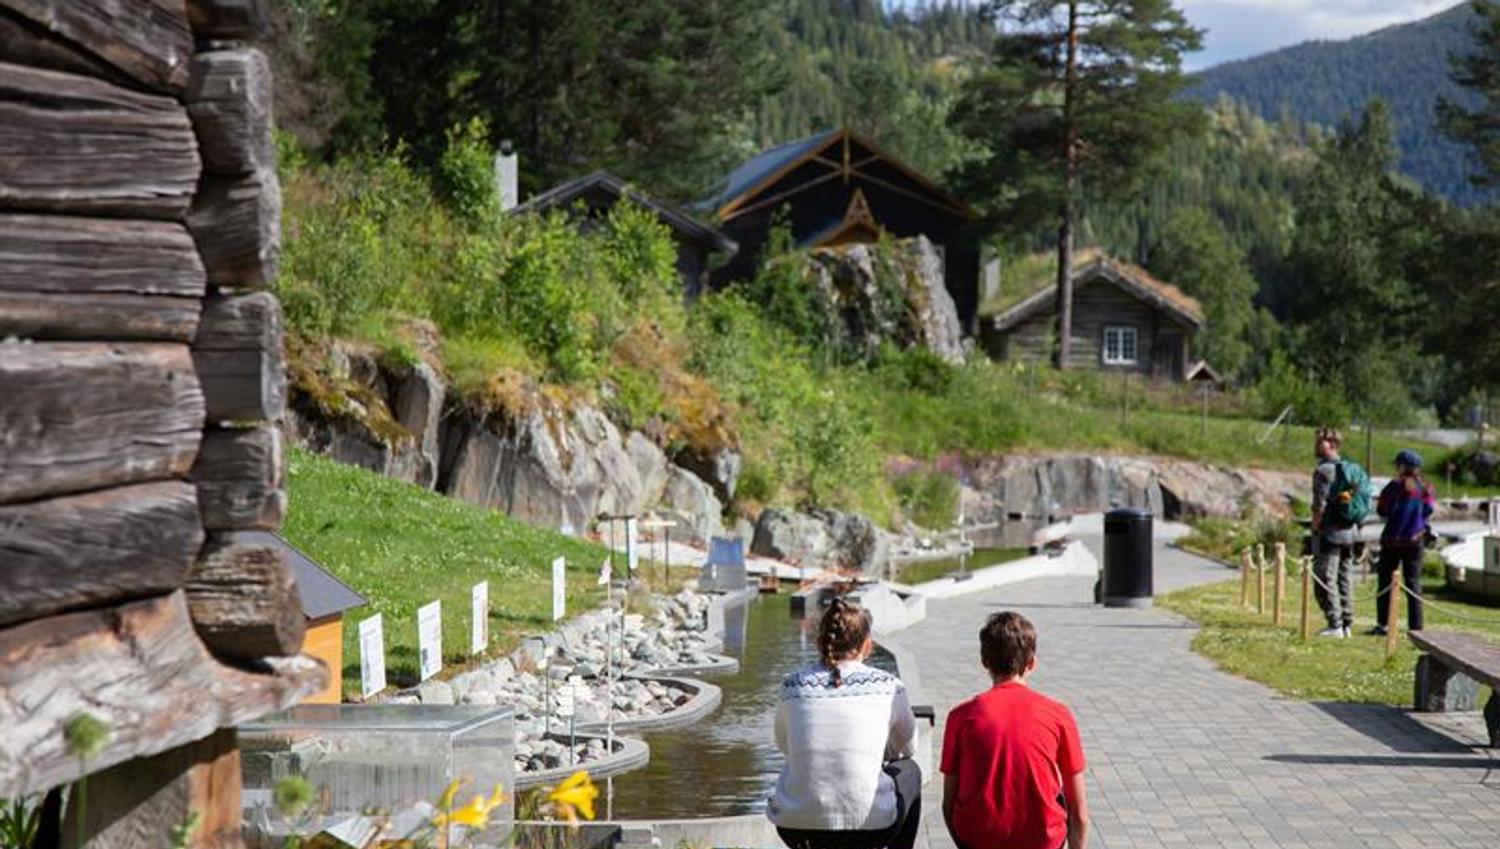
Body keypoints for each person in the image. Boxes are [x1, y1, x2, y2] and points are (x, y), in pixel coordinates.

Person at [769, 597, 920, 849]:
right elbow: (908, 748)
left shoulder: (792, 685)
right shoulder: (888, 686)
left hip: (795, 827)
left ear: (819, 642)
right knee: (911, 771)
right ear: (867, 644)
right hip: (871, 828)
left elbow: (785, 745)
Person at [941, 612, 1088, 849]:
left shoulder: (960, 717)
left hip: (978, 838)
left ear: (984, 662)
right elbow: (1079, 812)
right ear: (1031, 663)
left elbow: (949, 804)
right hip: (1042, 840)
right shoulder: (1059, 715)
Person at [1369, 449, 1434, 635]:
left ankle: (1383, 624)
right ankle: (1416, 627)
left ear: (1403, 466)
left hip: (1392, 540)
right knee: (1413, 584)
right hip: (1415, 540)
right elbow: (1429, 510)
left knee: (1385, 583)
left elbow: (1382, 510)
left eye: (1398, 465)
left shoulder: (1393, 487)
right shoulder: (1426, 488)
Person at [1310, 427, 1361, 637]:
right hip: (1350, 531)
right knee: (1345, 577)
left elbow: (1319, 505)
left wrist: (1315, 527)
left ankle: (1335, 624)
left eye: (1319, 441)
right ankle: (1347, 623)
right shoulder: (1351, 469)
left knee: (1324, 576)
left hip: (1330, 531)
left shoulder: (1323, 471)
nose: (1315, 445)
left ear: (1331, 444)